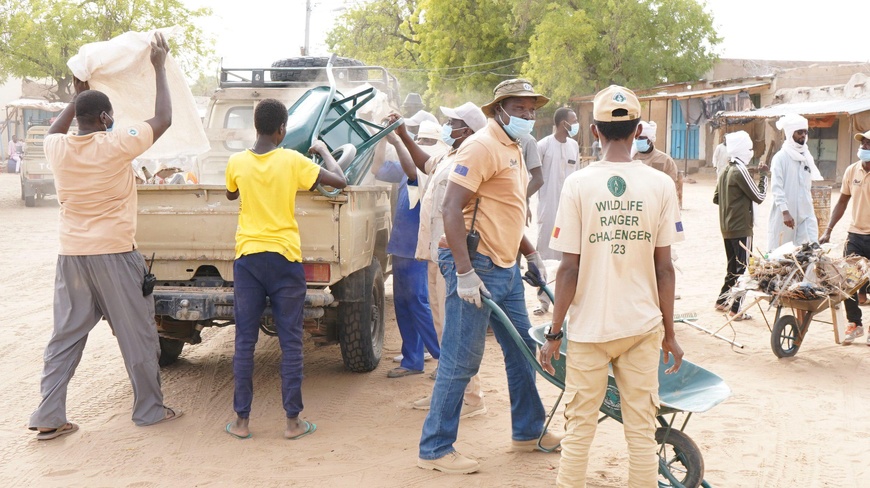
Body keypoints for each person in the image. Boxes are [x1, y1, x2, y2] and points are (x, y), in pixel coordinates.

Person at [28, 33, 179, 441]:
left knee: (64, 338)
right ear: (107, 119)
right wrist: (159, 67)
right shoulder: (116, 145)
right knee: (138, 336)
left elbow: (63, 125)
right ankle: (149, 411)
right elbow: (163, 119)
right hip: (114, 254)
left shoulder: (56, 148)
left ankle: (48, 414)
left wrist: (79, 94)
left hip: (72, 257)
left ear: (78, 116)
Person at [540, 85, 685, 487]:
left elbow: (568, 269)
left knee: (579, 429)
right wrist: (669, 334)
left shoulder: (578, 184)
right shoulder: (659, 185)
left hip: (589, 330)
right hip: (642, 327)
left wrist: (554, 333)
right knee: (641, 431)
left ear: (594, 132)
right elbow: (665, 269)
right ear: (638, 130)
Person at [417, 79, 558, 475]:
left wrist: (530, 253)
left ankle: (528, 431)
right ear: (499, 108)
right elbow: (450, 208)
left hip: (506, 266)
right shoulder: (481, 145)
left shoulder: (511, 147)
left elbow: (506, 211)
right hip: (475, 264)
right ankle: (435, 448)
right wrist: (463, 273)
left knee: (522, 350)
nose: (528, 115)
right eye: (520, 108)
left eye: (532, 109)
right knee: (462, 358)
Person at [224, 98, 347, 440]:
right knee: (291, 341)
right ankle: (293, 423)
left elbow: (232, 194)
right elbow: (340, 180)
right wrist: (322, 150)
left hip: (248, 260)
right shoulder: (293, 161)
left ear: (255, 126)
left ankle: (242, 422)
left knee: (244, 342)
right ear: (282, 129)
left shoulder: (236, 162)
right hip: (285, 260)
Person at [391, 101, 489, 417]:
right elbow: (422, 163)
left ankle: (471, 399)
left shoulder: (473, 160)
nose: (447, 125)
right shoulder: (450, 155)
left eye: (453, 121)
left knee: (456, 330)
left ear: (468, 130)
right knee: (443, 328)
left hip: (454, 256)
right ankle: (444, 393)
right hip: (436, 254)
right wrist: (403, 134)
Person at [373, 129, 441, 379]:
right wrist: (382, 140)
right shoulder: (403, 168)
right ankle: (413, 360)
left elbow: (414, 170)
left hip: (417, 247)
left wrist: (397, 140)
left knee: (418, 302)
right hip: (402, 246)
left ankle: (442, 357)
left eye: (424, 141)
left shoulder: (426, 170)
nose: (420, 144)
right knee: (404, 303)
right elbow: (377, 169)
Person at [819, 129, 870, 345]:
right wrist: (828, 229)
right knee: (847, 281)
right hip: (855, 235)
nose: (864, 148)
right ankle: (855, 324)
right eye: (863, 144)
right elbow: (842, 202)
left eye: (868, 145)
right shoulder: (852, 170)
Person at [713, 131, 768, 320]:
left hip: (726, 227)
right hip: (742, 227)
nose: (751, 152)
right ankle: (736, 309)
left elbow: (716, 198)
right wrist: (764, 176)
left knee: (732, 267)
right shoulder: (740, 170)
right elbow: (759, 197)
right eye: (750, 148)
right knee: (744, 268)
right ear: (743, 150)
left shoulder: (725, 170)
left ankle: (722, 300)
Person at [767, 114, 822, 251]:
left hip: (805, 212)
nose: (803, 135)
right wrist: (785, 212)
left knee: (809, 250)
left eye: (805, 132)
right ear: (790, 133)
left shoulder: (806, 157)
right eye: (799, 132)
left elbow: (806, 188)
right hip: (785, 215)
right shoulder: (781, 158)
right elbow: (777, 187)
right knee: (781, 251)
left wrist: (811, 213)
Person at [536, 107, 580, 261]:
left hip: (570, 204)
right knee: (547, 248)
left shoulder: (574, 146)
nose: (576, 124)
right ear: (564, 123)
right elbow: (533, 177)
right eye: (574, 121)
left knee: (567, 246)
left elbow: (577, 174)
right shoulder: (543, 145)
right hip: (548, 205)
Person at [633, 120, 678, 184]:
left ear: (650, 139)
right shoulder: (630, 159)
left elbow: (672, 184)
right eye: (636, 138)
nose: (638, 141)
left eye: (641, 138)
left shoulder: (665, 160)